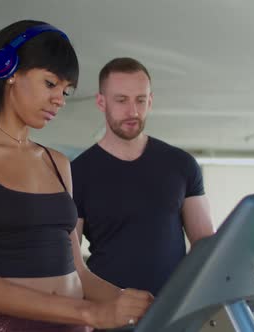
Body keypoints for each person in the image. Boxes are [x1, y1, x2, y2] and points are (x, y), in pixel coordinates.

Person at [0, 22, 152, 332]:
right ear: (8, 70)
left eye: (65, 91)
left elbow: (80, 272)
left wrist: (139, 306)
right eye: (50, 84)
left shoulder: (58, 162)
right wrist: (91, 314)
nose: (60, 100)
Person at [71, 57, 215, 297]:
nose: (133, 111)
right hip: (109, 314)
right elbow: (70, 264)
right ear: (101, 102)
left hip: (172, 313)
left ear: (150, 101)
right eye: (121, 100)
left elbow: (205, 246)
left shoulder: (181, 164)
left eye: (140, 100)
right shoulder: (77, 173)